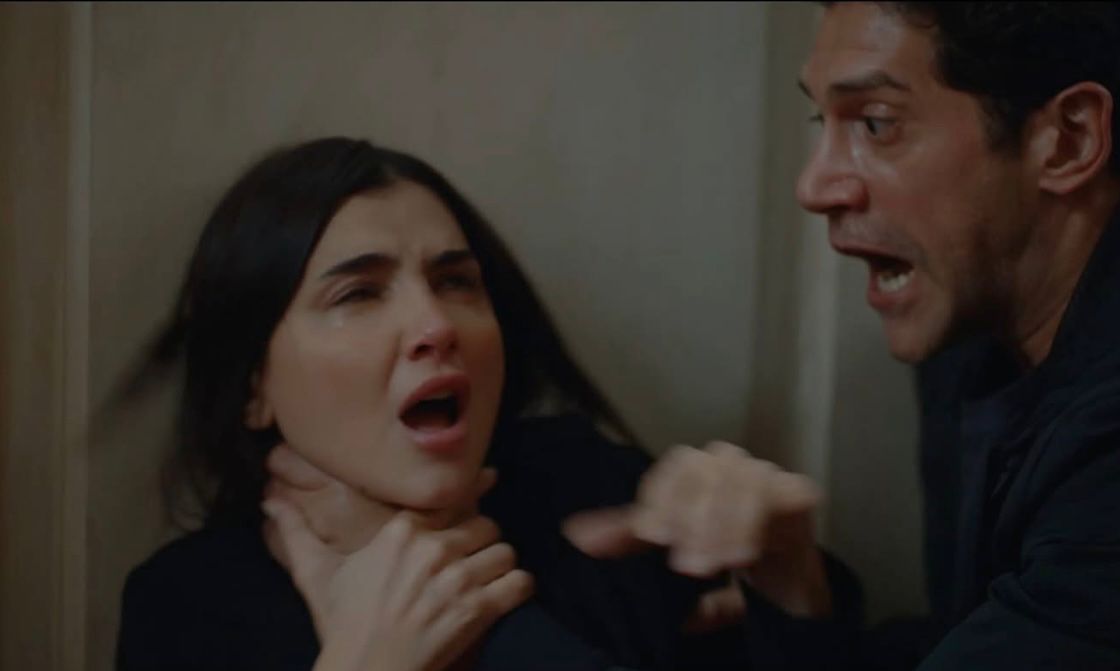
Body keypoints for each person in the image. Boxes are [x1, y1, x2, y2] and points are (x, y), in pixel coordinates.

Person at [278, 3, 1120, 669]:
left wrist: (442, 611)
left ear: (1066, 140)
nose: (814, 185)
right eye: (357, 293)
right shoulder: (973, 327)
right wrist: (794, 588)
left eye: (876, 124)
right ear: (252, 382)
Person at [113, 138, 764, 670]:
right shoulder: (183, 609)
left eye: (455, 281)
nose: (436, 324)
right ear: (254, 387)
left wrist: (792, 582)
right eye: (357, 294)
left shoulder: (593, 491)